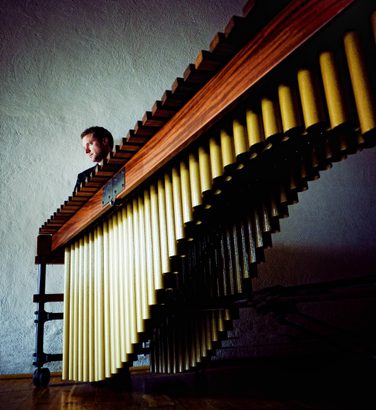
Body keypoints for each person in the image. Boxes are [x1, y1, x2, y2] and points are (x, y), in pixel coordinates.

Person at [74, 126, 114, 191]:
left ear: (104, 141)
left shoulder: (128, 161)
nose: (87, 151)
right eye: (84, 148)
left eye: (89, 144)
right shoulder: (83, 178)